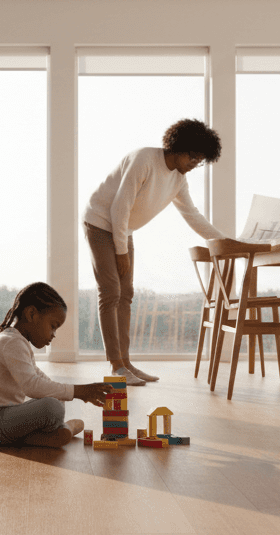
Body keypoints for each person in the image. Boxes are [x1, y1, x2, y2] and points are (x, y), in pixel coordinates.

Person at [83, 118, 225, 385]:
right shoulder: (144, 159)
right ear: (177, 146)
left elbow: (192, 214)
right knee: (111, 291)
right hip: (101, 222)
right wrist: (121, 251)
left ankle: (126, 363)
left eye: (200, 160)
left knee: (127, 294)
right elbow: (119, 207)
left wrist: (223, 240)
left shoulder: (179, 180)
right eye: (193, 157)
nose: (195, 164)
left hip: (124, 230)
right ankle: (116, 367)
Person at [0, 282, 112, 447]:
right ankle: (62, 430)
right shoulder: (12, 342)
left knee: (56, 399)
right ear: (32, 314)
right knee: (52, 407)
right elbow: (32, 386)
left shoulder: (16, 341)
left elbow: (41, 379)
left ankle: (40, 437)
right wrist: (79, 391)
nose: (53, 335)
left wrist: (64, 393)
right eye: (53, 326)